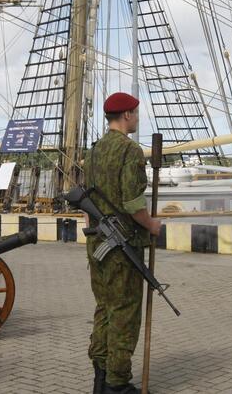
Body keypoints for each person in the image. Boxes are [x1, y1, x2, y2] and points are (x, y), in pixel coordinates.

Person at [83, 92, 162, 394]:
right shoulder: (130, 151)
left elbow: (88, 198)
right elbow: (132, 202)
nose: (137, 119)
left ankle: (100, 377)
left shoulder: (94, 151)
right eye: (136, 114)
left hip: (98, 245)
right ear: (127, 115)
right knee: (125, 312)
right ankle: (118, 384)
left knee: (104, 308)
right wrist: (151, 224)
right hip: (122, 248)